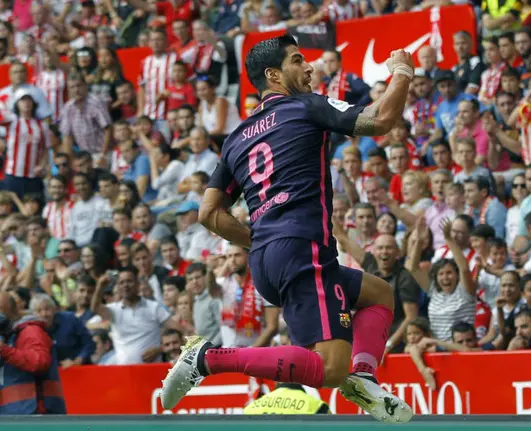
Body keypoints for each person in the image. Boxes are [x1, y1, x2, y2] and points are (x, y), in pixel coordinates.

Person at [160, 35, 415, 423]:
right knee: (329, 368)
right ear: (274, 74)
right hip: (302, 249)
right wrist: (401, 71)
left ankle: (363, 379)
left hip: (267, 259)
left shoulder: (234, 139)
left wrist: (259, 238)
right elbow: (380, 120)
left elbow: (209, 213)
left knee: (378, 293)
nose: (309, 67)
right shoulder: (305, 106)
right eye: (298, 60)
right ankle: (207, 359)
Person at [0, 291, 67, 414]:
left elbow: (39, 362)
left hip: (36, 414)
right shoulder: (8, 337)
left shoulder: (31, 331)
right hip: (12, 415)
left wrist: (3, 350)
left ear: (13, 312)